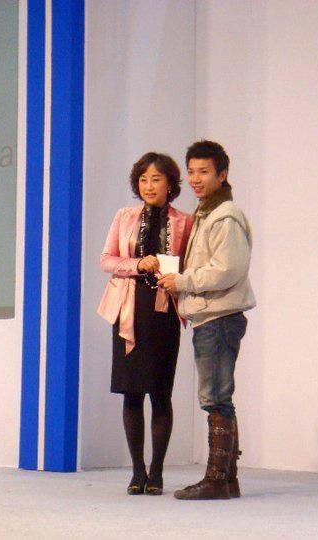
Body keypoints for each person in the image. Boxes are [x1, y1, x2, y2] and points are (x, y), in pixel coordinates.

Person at [158, 140, 256, 500]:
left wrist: (182, 281)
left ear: (222, 174)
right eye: (192, 172)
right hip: (211, 316)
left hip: (219, 316)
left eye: (204, 172)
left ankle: (217, 479)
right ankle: (226, 480)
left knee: (215, 398)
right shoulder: (208, 213)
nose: (196, 179)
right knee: (218, 397)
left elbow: (228, 269)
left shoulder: (223, 216)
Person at [98, 152, 193, 495]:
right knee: (132, 392)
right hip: (128, 310)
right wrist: (138, 264)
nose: (149, 186)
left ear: (170, 184)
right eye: (143, 179)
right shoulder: (124, 216)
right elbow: (106, 259)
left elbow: (191, 265)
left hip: (163, 313)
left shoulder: (184, 222)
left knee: (161, 393)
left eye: (156, 179)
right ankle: (137, 471)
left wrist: (176, 276)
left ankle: (157, 472)